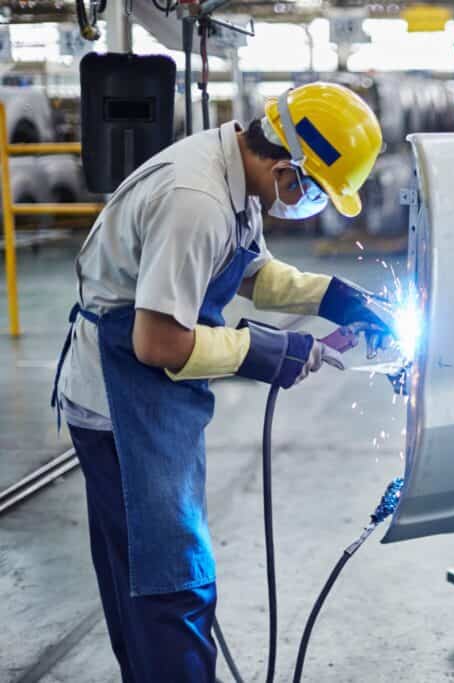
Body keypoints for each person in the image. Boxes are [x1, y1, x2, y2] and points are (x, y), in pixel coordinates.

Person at [51, 82, 389, 681]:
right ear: (288, 166)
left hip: (152, 397)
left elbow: (247, 269)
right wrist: (271, 351)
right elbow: (157, 343)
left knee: (155, 572)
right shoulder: (197, 200)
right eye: (312, 189)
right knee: (167, 583)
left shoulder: (237, 169)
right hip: (121, 402)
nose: (309, 203)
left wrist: (336, 299)